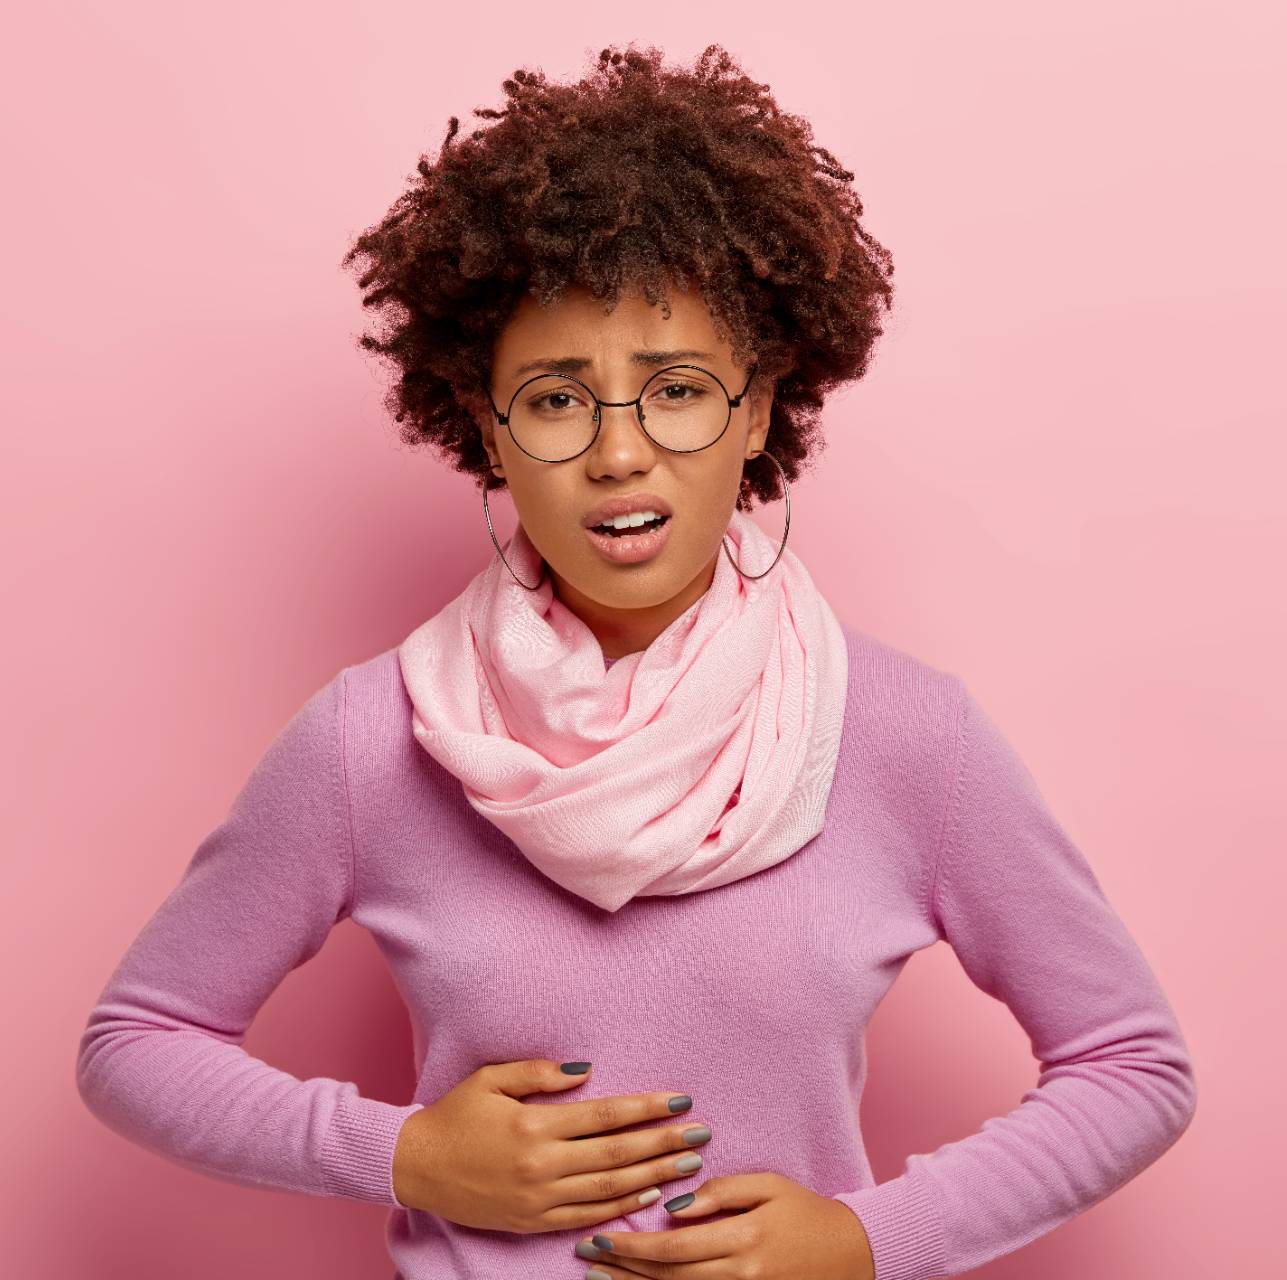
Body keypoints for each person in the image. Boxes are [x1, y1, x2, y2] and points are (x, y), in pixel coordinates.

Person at [75, 42, 1196, 1280]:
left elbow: (1133, 1065)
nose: (620, 454)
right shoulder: (372, 739)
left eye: (675, 388)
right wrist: (400, 1154)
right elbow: (136, 1040)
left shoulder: (904, 735)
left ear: (759, 409)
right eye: (557, 398)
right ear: (486, 431)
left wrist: (870, 1238)